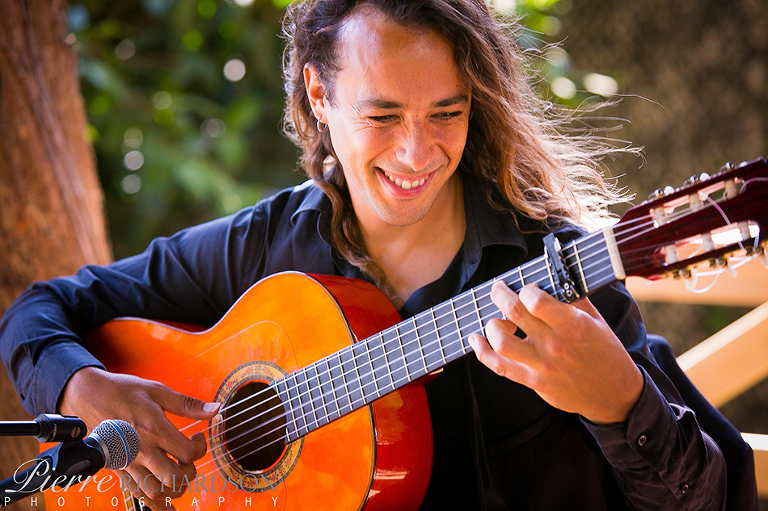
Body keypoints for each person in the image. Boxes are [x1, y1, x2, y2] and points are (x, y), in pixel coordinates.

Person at [0, 0, 731, 510]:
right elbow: (40, 309)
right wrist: (81, 387)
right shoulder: (266, 245)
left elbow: (715, 500)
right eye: (383, 114)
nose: (417, 152)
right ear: (319, 94)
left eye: (446, 112)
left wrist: (621, 404)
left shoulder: (560, 273)